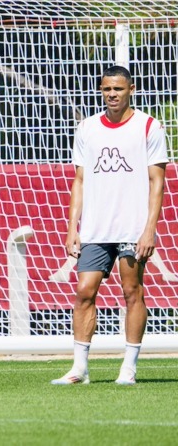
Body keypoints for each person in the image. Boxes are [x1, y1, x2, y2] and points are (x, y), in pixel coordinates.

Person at [52, 66, 168, 386]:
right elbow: (80, 180)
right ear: (101, 91)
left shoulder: (149, 126)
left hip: (132, 227)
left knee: (132, 291)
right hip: (95, 228)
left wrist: (149, 229)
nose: (112, 94)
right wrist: (72, 228)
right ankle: (80, 369)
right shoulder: (87, 127)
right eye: (106, 89)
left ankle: (128, 369)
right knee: (83, 291)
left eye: (118, 88)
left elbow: (157, 182)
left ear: (132, 89)